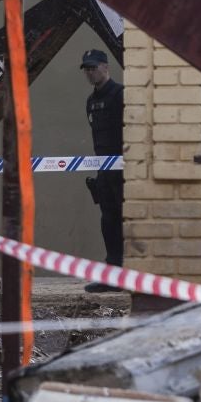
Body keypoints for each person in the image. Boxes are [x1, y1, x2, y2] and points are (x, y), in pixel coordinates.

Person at [80, 48, 124, 293]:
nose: (90, 72)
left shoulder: (120, 95)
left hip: (123, 171)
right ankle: (113, 274)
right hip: (104, 171)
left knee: (127, 222)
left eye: (94, 67)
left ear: (106, 67)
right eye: (86, 69)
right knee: (109, 223)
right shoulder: (91, 101)